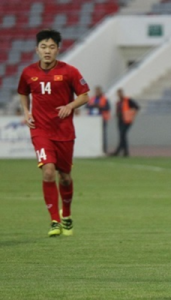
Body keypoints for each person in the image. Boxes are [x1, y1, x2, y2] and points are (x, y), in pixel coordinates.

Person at [17, 29, 90, 237]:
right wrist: (26, 111)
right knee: (48, 171)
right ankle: (54, 221)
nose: (47, 51)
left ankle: (66, 215)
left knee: (65, 176)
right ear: (36, 50)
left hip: (64, 131)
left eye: (51, 47)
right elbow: (23, 92)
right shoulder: (28, 72)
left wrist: (71, 105)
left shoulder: (69, 71)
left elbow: (85, 96)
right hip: (40, 130)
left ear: (58, 49)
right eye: (43, 47)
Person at [110, 88, 139, 157]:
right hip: (120, 120)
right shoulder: (118, 102)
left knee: (123, 135)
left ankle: (119, 151)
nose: (119, 95)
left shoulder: (127, 100)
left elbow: (136, 107)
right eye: (118, 93)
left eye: (120, 93)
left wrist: (131, 115)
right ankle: (124, 152)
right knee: (122, 136)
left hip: (126, 120)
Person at [86, 86, 110, 153]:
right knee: (92, 134)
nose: (97, 92)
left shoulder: (104, 99)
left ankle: (103, 149)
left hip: (102, 119)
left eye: (98, 91)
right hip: (92, 119)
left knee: (102, 134)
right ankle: (92, 149)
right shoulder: (92, 99)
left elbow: (107, 108)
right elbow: (87, 106)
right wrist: (93, 105)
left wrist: (100, 106)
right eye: (96, 91)